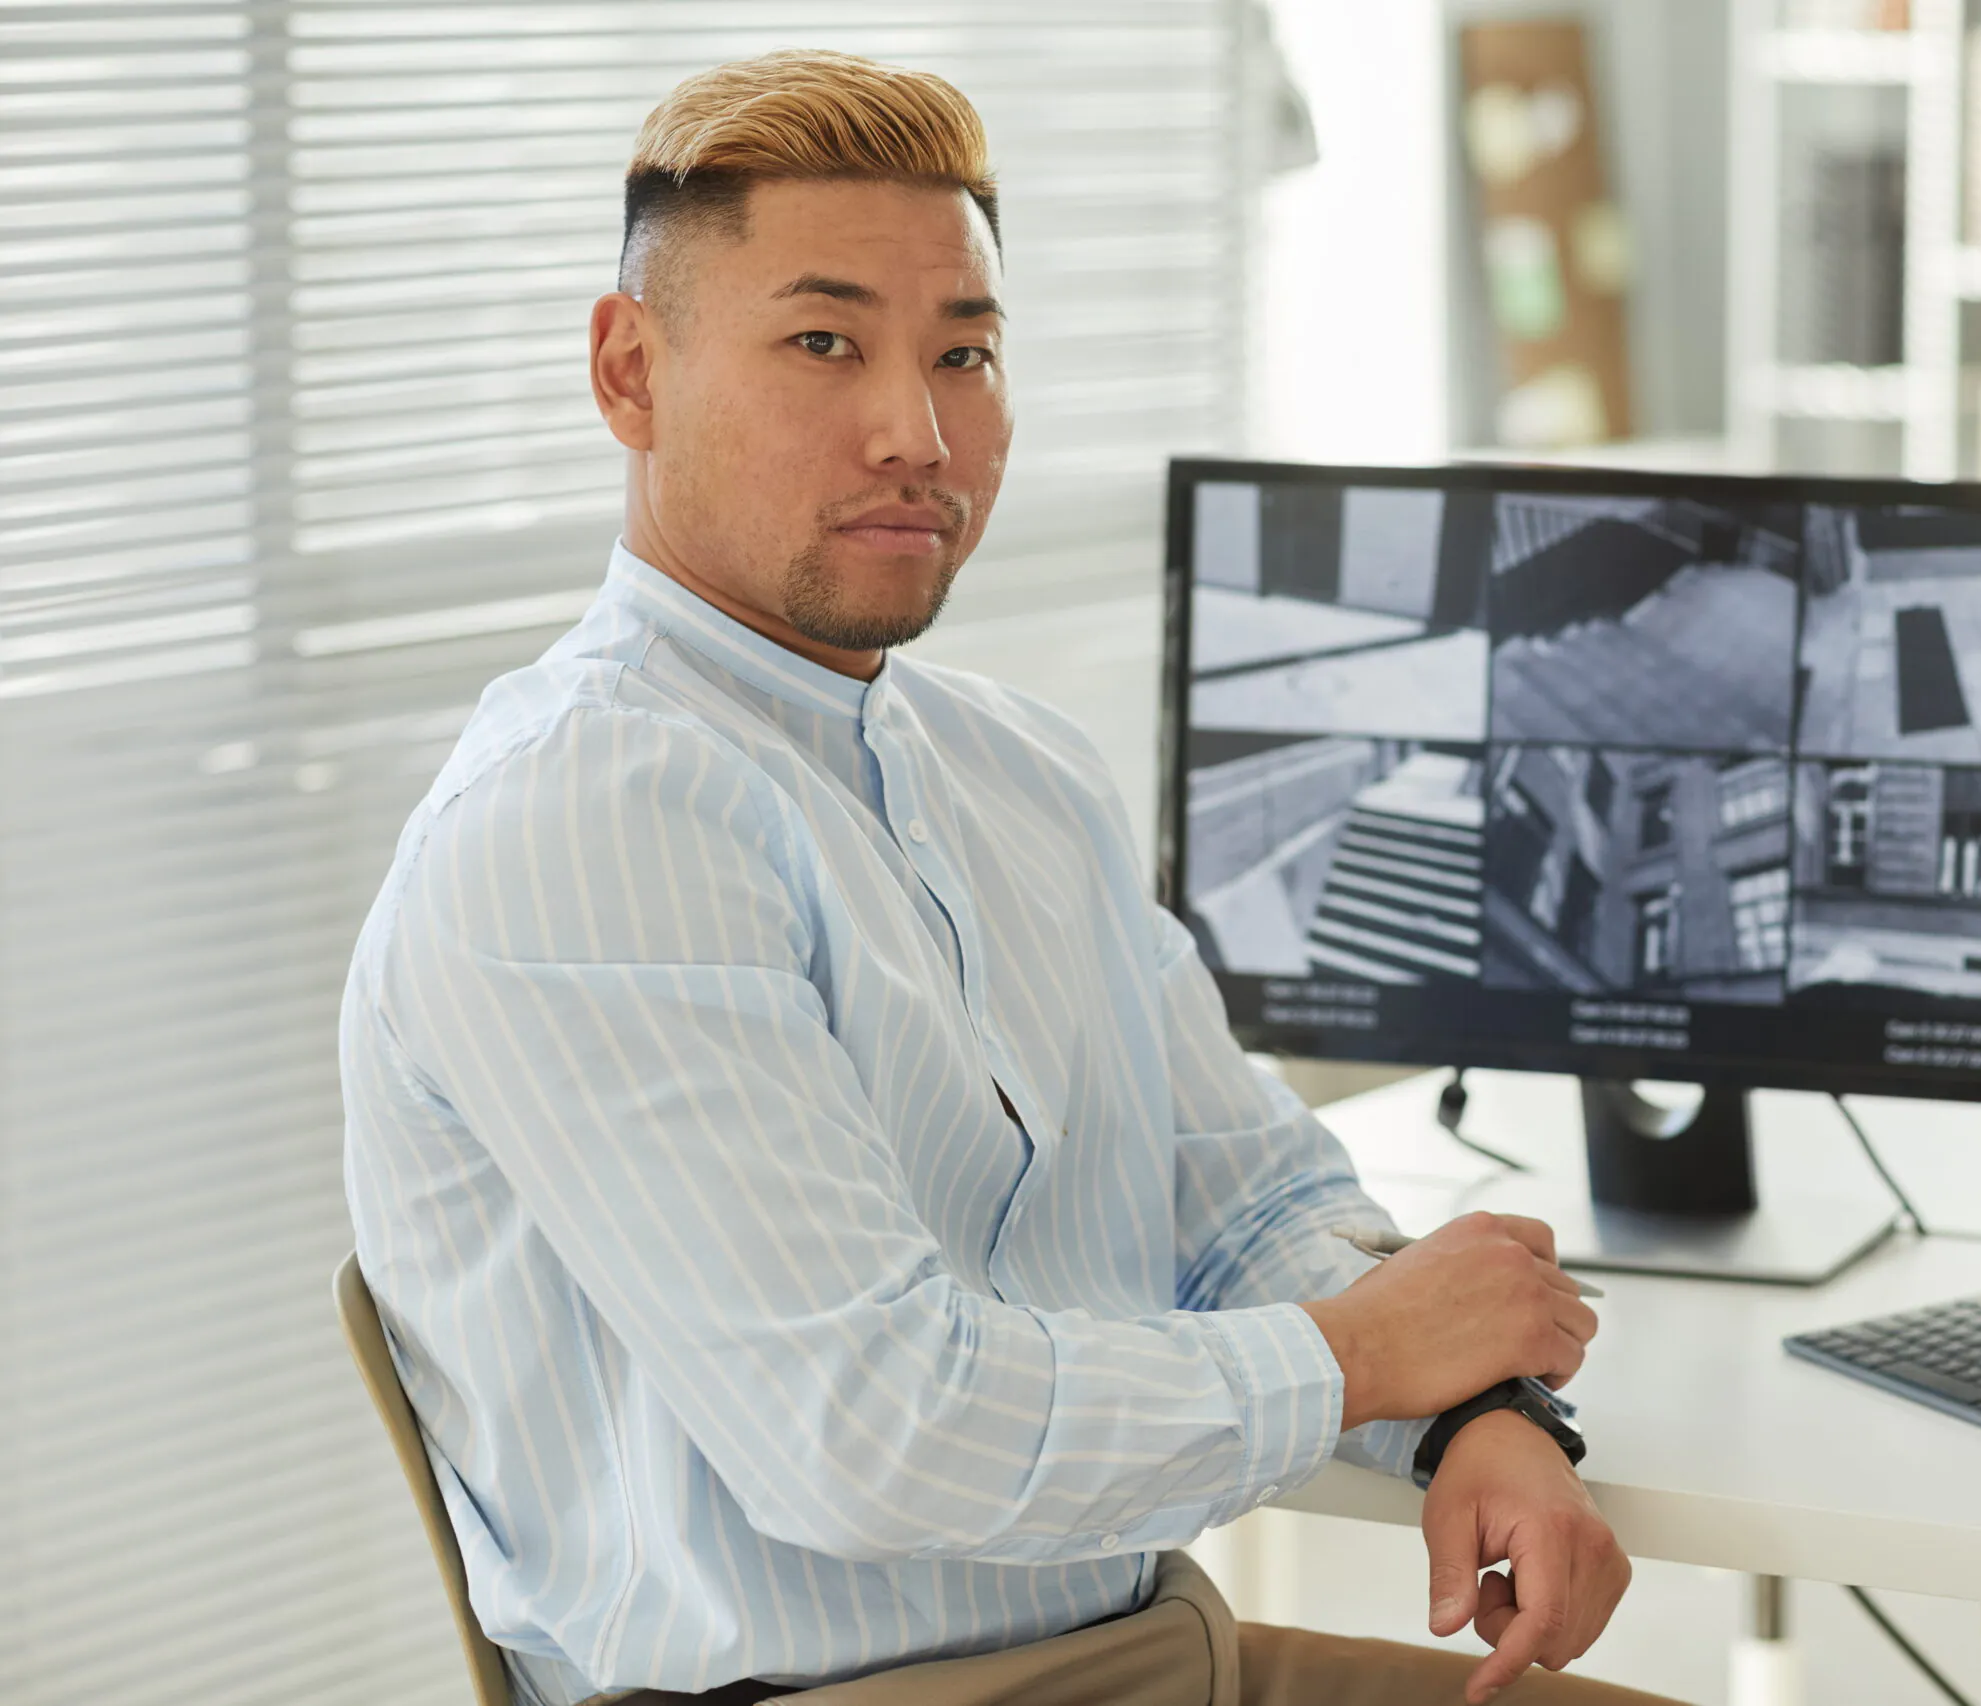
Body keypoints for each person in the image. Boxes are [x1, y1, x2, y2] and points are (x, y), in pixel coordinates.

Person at [341, 49, 1661, 1706]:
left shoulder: (1018, 773)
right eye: (824, 342)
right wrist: (1371, 1354)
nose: (915, 430)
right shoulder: (584, 825)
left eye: (962, 352)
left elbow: (1244, 1197)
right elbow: (870, 1436)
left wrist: (1477, 1412)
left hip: (1150, 1652)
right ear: (632, 373)